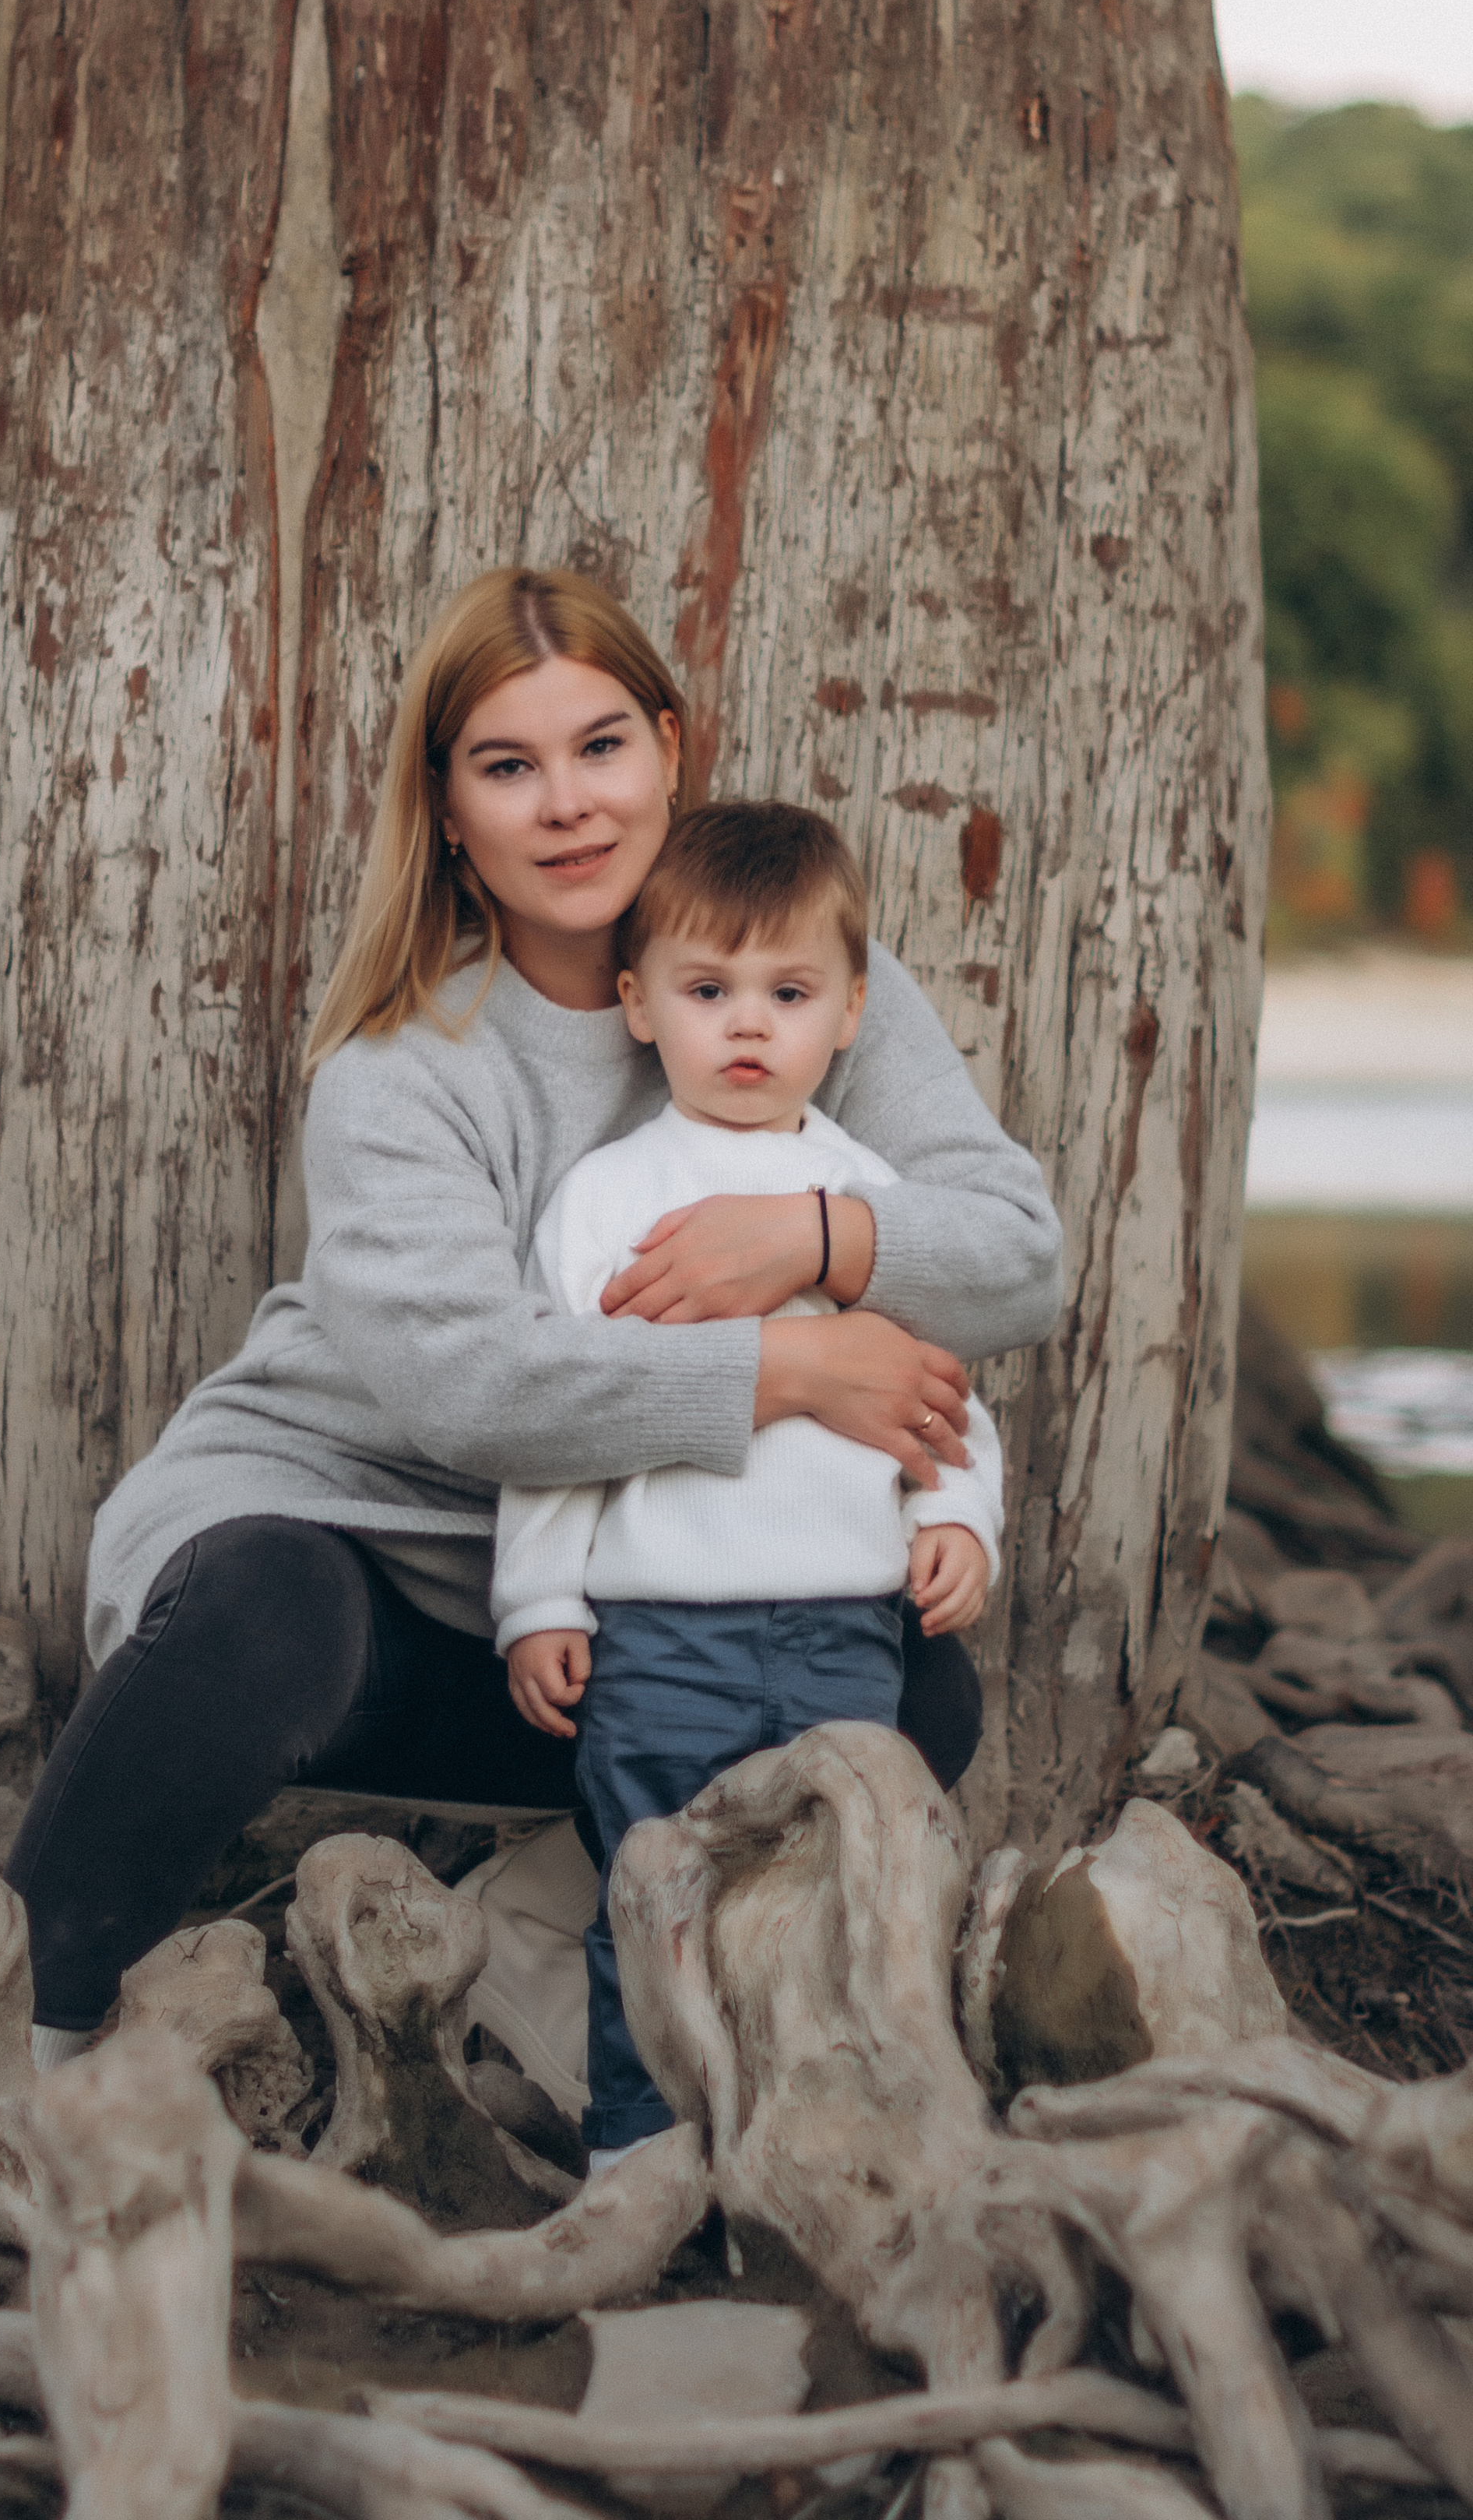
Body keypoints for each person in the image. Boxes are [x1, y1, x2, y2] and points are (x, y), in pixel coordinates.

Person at [5, 568, 1060, 2065]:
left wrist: (812, 1234)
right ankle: (18, 2035)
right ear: (448, 810)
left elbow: (1020, 1259)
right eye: (508, 767)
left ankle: (533, 1939)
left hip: (614, 1596)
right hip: (355, 1545)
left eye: (602, 747)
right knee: (262, 1606)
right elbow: (470, 1384)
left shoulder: (802, 977)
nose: (568, 805)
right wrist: (784, 1362)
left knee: (910, 1685)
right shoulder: (406, 1064)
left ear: (669, 750)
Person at [490, 800, 1004, 2161]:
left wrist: (957, 1516)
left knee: (833, 1896)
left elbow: (945, 1389)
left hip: (846, 1632)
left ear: (850, 1013)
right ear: (638, 1004)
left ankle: (816, 2145)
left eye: (789, 993)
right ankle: (638, 2150)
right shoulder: (606, 1199)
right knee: (658, 1895)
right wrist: (540, 1600)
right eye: (708, 990)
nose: (748, 1026)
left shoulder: (869, 1202)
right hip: (662, 1639)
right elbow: (559, 1418)